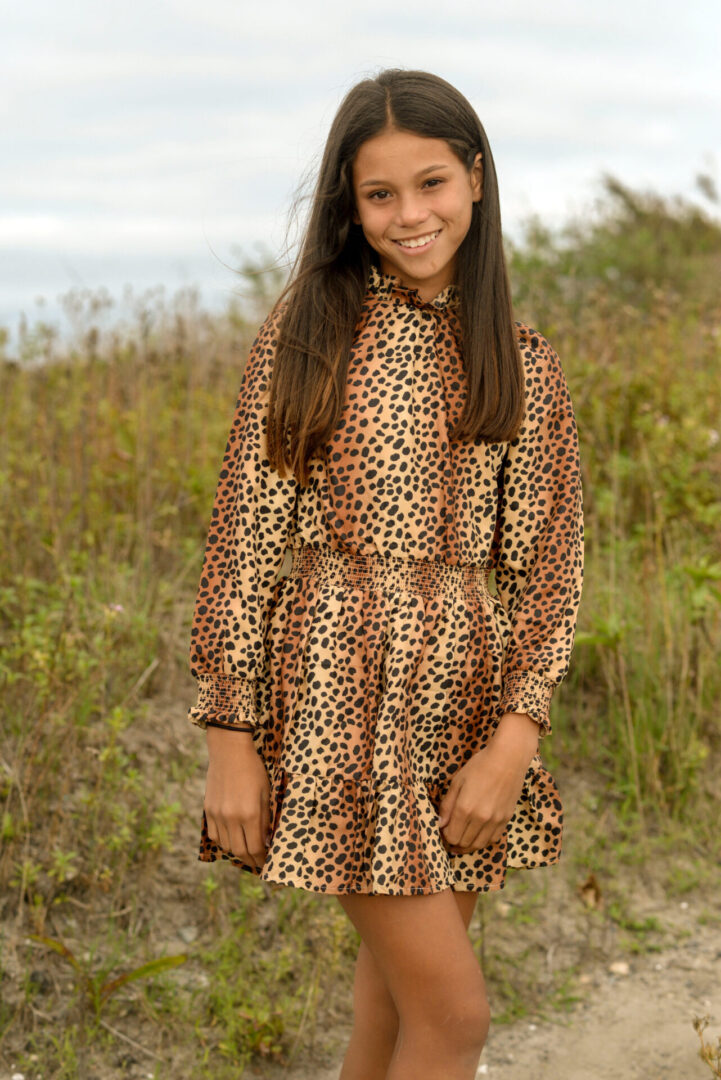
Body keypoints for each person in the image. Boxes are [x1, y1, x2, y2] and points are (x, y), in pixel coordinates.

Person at [186, 68, 584, 1080]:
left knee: (393, 1012)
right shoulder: (311, 335)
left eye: (431, 183)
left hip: (461, 708)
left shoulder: (521, 361)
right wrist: (230, 738)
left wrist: (511, 740)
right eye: (379, 194)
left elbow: (548, 569)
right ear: (349, 206)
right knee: (454, 1020)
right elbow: (243, 542)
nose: (409, 214)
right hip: (338, 698)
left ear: (476, 181)